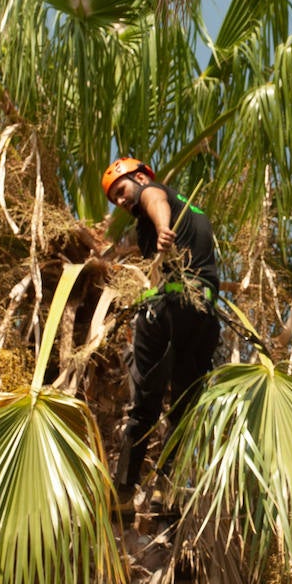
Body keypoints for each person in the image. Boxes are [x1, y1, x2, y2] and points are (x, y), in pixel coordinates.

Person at [101, 157, 220, 510]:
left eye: (121, 191)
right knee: (185, 405)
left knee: (146, 403)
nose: (122, 202)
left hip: (167, 311)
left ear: (139, 177)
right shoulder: (194, 210)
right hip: (203, 313)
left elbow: (156, 201)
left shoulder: (154, 196)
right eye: (115, 200)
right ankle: (164, 489)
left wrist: (163, 229)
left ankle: (123, 491)